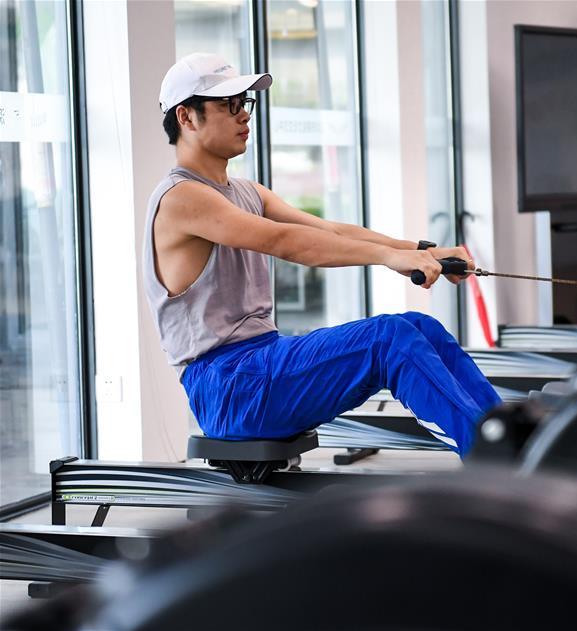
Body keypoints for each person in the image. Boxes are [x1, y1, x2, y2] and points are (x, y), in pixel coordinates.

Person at [144, 53, 500, 456]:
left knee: (420, 326)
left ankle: (512, 442)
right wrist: (387, 258)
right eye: (228, 105)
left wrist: (422, 251)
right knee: (389, 339)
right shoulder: (182, 197)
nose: (243, 114)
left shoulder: (247, 192)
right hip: (227, 387)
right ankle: (494, 460)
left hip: (260, 364)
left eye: (244, 103)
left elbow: (328, 231)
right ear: (186, 117)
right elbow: (285, 241)